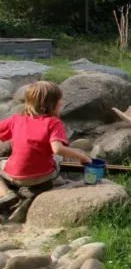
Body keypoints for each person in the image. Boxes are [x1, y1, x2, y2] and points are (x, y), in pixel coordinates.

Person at [0, 81, 93, 221]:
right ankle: (41, 188)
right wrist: (83, 157)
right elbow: (57, 149)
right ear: (52, 103)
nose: (62, 101)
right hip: (43, 176)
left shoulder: (16, 119)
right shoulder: (53, 122)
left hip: (15, 176)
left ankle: (6, 194)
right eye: (60, 99)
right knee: (57, 158)